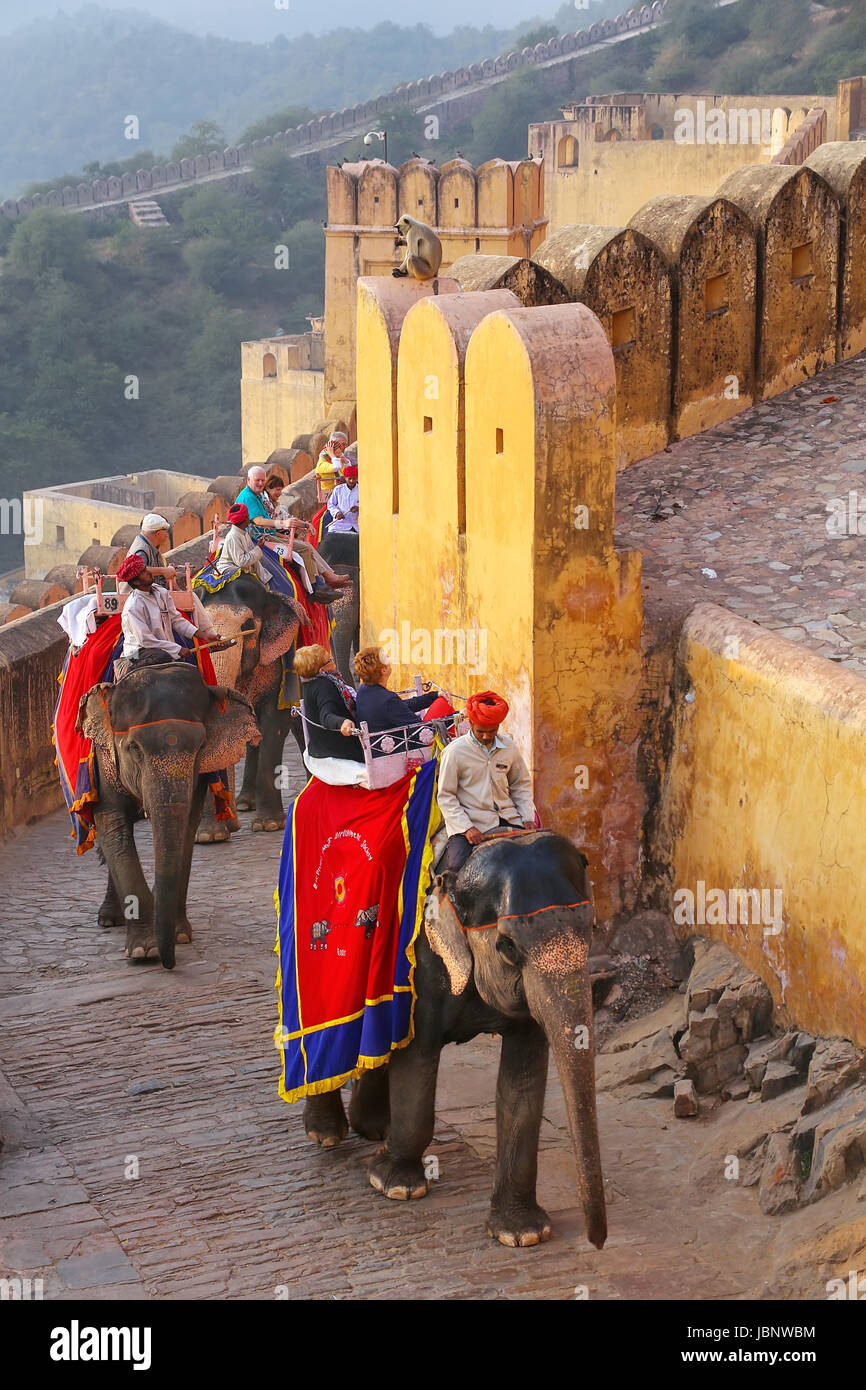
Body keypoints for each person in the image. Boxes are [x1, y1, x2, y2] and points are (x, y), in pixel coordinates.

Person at [436, 690, 535, 874]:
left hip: (509, 819)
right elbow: (446, 796)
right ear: (471, 723)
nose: (486, 736)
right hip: (471, 825)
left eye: (492, 731)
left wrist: (527, 818)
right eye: (480, 731)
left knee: (539, 863)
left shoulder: (509, 747)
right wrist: (467, 828)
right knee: (456, 869)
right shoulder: (454, 752)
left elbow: (520, 785)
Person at [236, 465, 347, 602]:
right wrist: (283, 525)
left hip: (268, 534)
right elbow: (259, 521)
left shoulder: (257, 496)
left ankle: (324, 578)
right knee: (305, 548)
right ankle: (315, 587)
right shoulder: (249, 497)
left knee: (303, 545)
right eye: (257, 480)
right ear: (248, 480)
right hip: (259, 538)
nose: (260, 484)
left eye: (262, 481)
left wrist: (300, 525)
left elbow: (282, 518)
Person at [117, 553, 223, 672]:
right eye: (143, 572)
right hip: (136, 652)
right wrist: (176, 649)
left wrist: (203, 635)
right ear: (136, 582)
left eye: (145, 569)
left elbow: (177, 620)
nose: (148, 572)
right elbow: (146, 641)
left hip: (160, 649)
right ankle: (128, 670)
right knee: (163, 657)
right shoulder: (133, 607)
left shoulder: (161, 592)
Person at [294, 643, 365, 784]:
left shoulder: (310, 683)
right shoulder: (325, 686)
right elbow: (326, 716)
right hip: (336, 747)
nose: (333, 660)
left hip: (320, 745)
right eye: (329, 660)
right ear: (321, 670)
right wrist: (342, 722)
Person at [353, 646, 438, 749]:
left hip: (376, 750)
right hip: (397, 752)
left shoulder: (363, 691)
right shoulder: (387, 700)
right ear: (383, 671)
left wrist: (433, 696)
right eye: (385, 658)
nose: (388, 658)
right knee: (442, 708)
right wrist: (457, 716)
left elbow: (400, 707)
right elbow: (422, 730)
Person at [215, 503, 272, 587]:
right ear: (245, 519)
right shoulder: (233, 536)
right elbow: (241, 562)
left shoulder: (244, 533)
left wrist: (264, 577)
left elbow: (251, 553)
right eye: (248, 516)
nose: (249, 518)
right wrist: (258, 548)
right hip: (228, 568)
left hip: (239, 566)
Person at [120, 513, 177, 591]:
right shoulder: (141, 549)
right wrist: (164, 571)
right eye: (165, 532)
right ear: (158, 534)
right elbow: (138, 571)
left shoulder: (151, 547)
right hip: (136, 596)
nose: (167, 535)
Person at [315, 432, 349, 504]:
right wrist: (332, 454)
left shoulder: (339, 457)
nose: (345, 447)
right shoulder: (323, 462)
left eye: (346, 444)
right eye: (343, 444)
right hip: (329, 497)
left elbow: (348, 471)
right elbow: (336, 467)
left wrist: (346, 462)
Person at [328, 461, 359, 535]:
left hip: (354, 526)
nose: (352, 481)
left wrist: (358, 508)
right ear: (345, 478)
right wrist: (337, 513)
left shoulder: (361, 490)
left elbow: (367, 506)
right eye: (349, 478)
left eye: (354, 479)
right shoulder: (338, 489)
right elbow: (331, 504)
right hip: (338, 525)